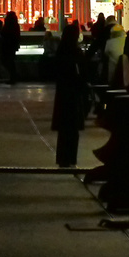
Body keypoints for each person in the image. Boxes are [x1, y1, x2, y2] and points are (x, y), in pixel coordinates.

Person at [50, 21, 88, 168]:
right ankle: (71, 159)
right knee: (73, 131)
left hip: (63, 95)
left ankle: (62, 159)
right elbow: (82, 74)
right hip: (74, 96)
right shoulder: (76, 53)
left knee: (64, 131)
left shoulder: (61, 52)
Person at [1, 11, 22, 84]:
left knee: (6, 61)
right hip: (13, 45)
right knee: (11, 61)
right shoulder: (16, 25)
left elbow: (3, 33)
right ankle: (13, 76)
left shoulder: (7, 25)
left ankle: (13, 76)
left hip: (7, 45)